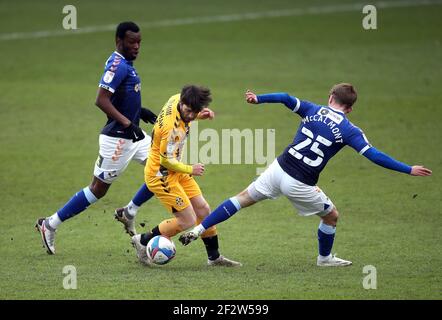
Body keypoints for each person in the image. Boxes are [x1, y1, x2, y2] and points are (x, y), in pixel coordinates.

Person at [178, 84, 432, 267]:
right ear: (350, 108)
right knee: (332, 217)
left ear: (330, 97)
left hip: (278, 168)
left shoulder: (313, 109)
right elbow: (373, 155)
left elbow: (286, 98)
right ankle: (324, 259)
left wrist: (258, 99)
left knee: (240, 199)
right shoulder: (350, 129)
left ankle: (200, 227)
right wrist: (408, 168)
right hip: (300, 183)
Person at [35, 22, 157, 254]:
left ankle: (128, 211)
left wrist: (139, 111)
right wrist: (126, 122)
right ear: (118, 41)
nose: (137, 46)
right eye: (132, 42)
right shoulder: (118, 66)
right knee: (97, 190)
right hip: (118, 140)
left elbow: (121, 97)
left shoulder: (125, 65)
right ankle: (49, 224)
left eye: (139, 42)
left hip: (134, 134)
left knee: (164, 168)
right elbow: (101, 100)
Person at [131, 85, 242, 267]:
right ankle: (142, 241)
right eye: (189, 111)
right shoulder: (170, 128)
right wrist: (191, 169)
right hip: (161, 175)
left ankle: (214, 258)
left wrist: (199, 115)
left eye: (195, 111)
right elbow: (165, 160)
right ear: (182, 103)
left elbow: (187, 117)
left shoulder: (177, 99)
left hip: (176, 170)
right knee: (188, 220)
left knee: (203, 210)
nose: (191, 115)